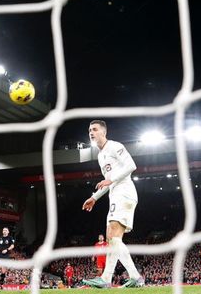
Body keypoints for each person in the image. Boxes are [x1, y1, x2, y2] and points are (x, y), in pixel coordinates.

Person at [81, 120, 143, 289]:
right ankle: (135, 276)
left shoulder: (115, 146)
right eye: (89, 130)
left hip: (125, 192)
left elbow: (131, 165)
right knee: (113, 238)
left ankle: (106, 278)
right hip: (115, 194)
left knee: (113, 235)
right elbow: (108, 183)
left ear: (104, 132)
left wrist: (110, 180)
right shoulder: (101, 156)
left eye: (94, 129)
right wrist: (94, 197)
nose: (91, 133)